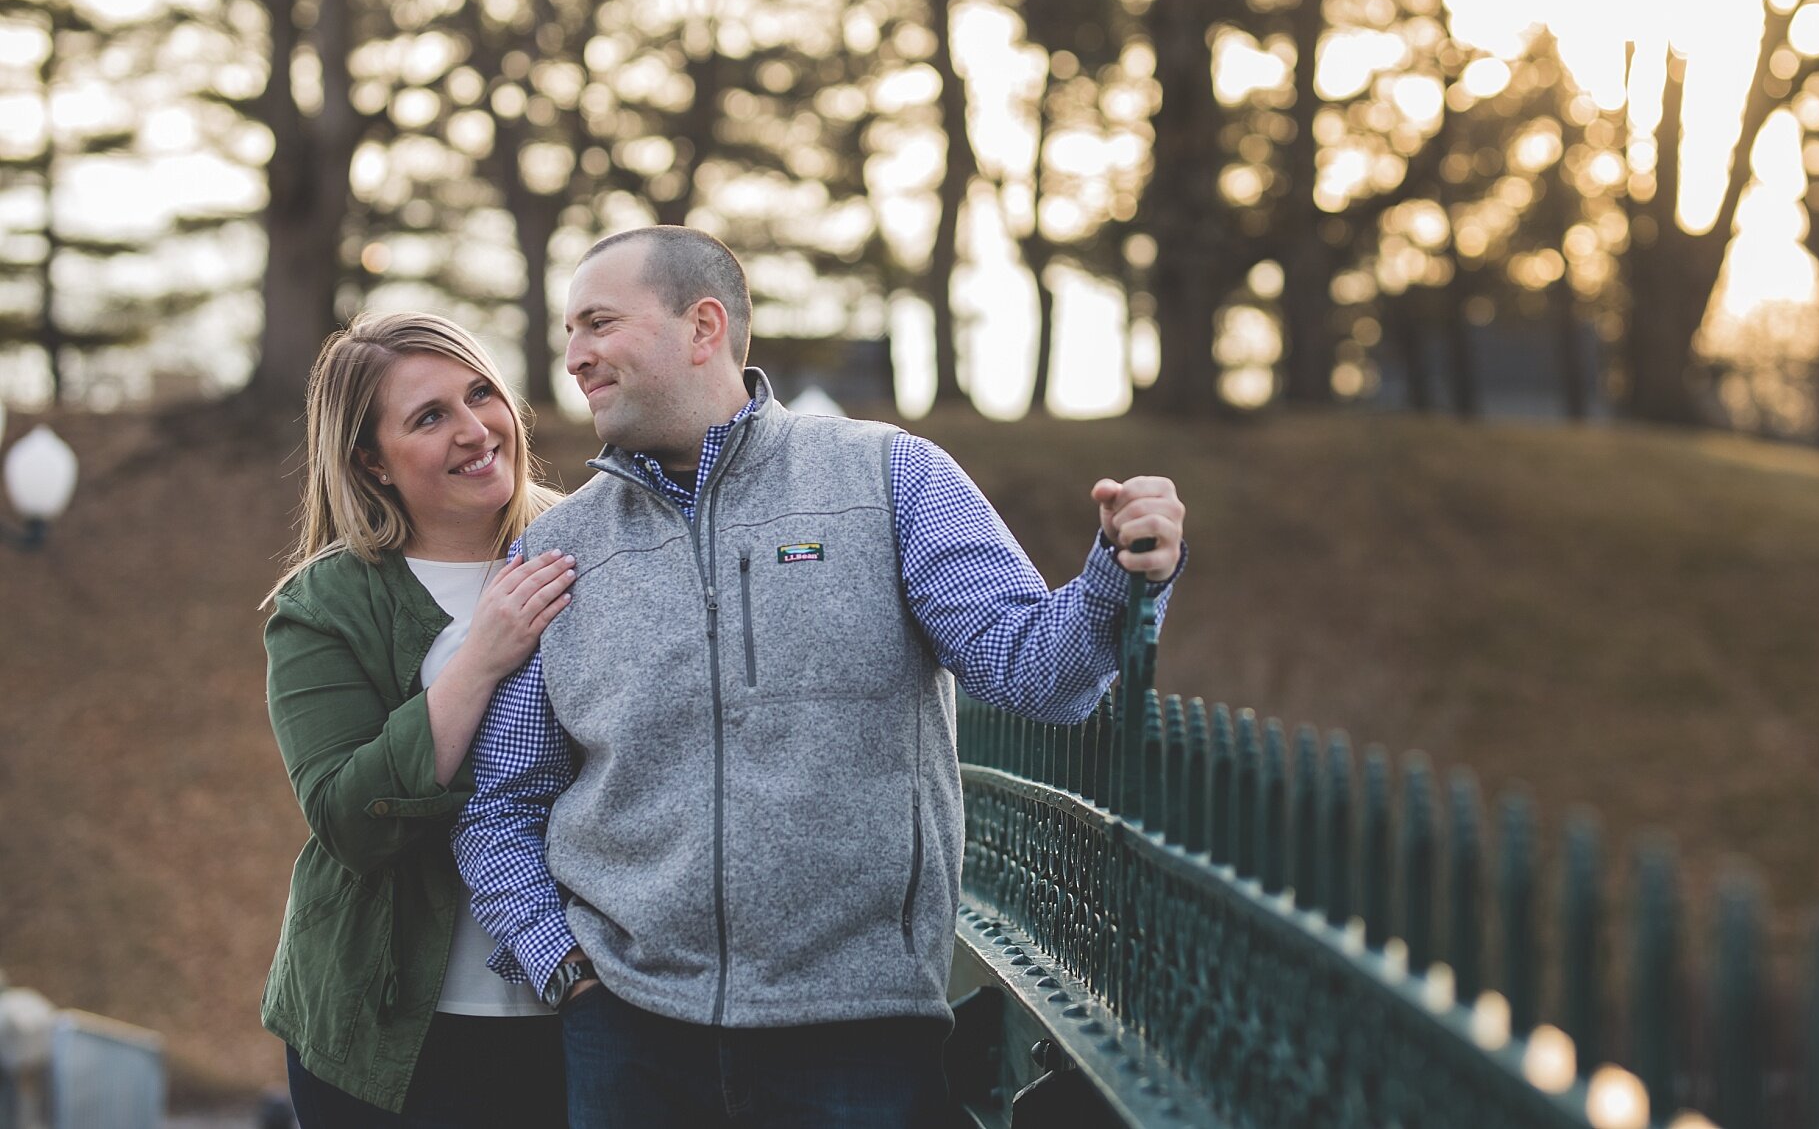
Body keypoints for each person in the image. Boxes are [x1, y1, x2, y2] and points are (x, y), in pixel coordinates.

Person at [455, 227, 1187, 1128]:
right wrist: (567, 973)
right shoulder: (559, 549)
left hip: (858, 1036)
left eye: (599, 323)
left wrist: (1120, 566)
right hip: (631, 1038)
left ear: (704, 326)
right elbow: (501, 801)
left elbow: (1037, 672)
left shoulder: (891, 478)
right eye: (569, 332)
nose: (574, 356)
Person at [260, 312, 579, 1127]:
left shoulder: (594, 544)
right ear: (371, 459)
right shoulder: (322, 605)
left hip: (588, 1009)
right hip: (387, 1039)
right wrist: (481, 657)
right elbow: (346, 818)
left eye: (481, 394)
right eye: (430, 416)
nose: (476, 431)